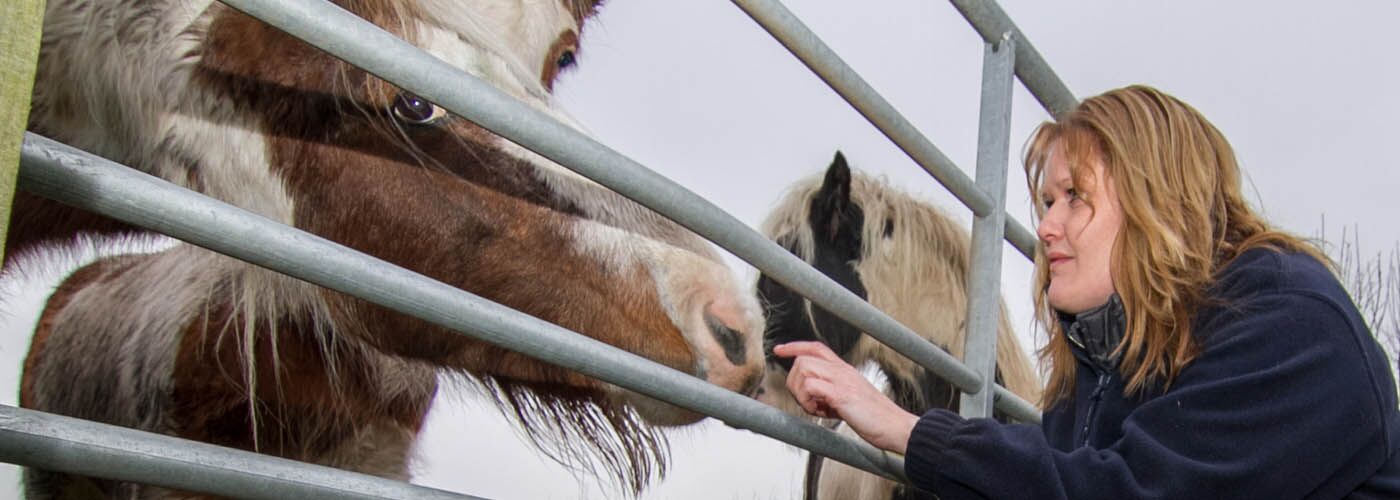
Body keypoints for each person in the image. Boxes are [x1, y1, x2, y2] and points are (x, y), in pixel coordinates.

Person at [774, 85, 1400, 499]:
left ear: (1161, 202)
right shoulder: (1106, 359)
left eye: (1075, 197)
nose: (1045, 226)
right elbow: (1054, 465)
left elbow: (1125, 491)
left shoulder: (1291, 325)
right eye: (1047, 200)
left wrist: (903, 429)